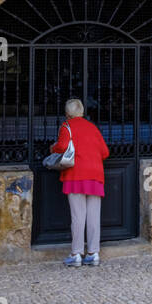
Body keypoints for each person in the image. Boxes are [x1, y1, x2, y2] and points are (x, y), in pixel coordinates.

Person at [50, 98, 109, 267]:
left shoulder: (67, 126)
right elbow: (105, 152)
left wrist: (52, 148)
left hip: (76, 174)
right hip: (95, 175)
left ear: (67, 113)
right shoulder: (93, 128)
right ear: (82, 111)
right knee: (93, 216)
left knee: (78, 216)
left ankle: (76, 254)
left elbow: (61, 147)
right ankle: (93, 253)